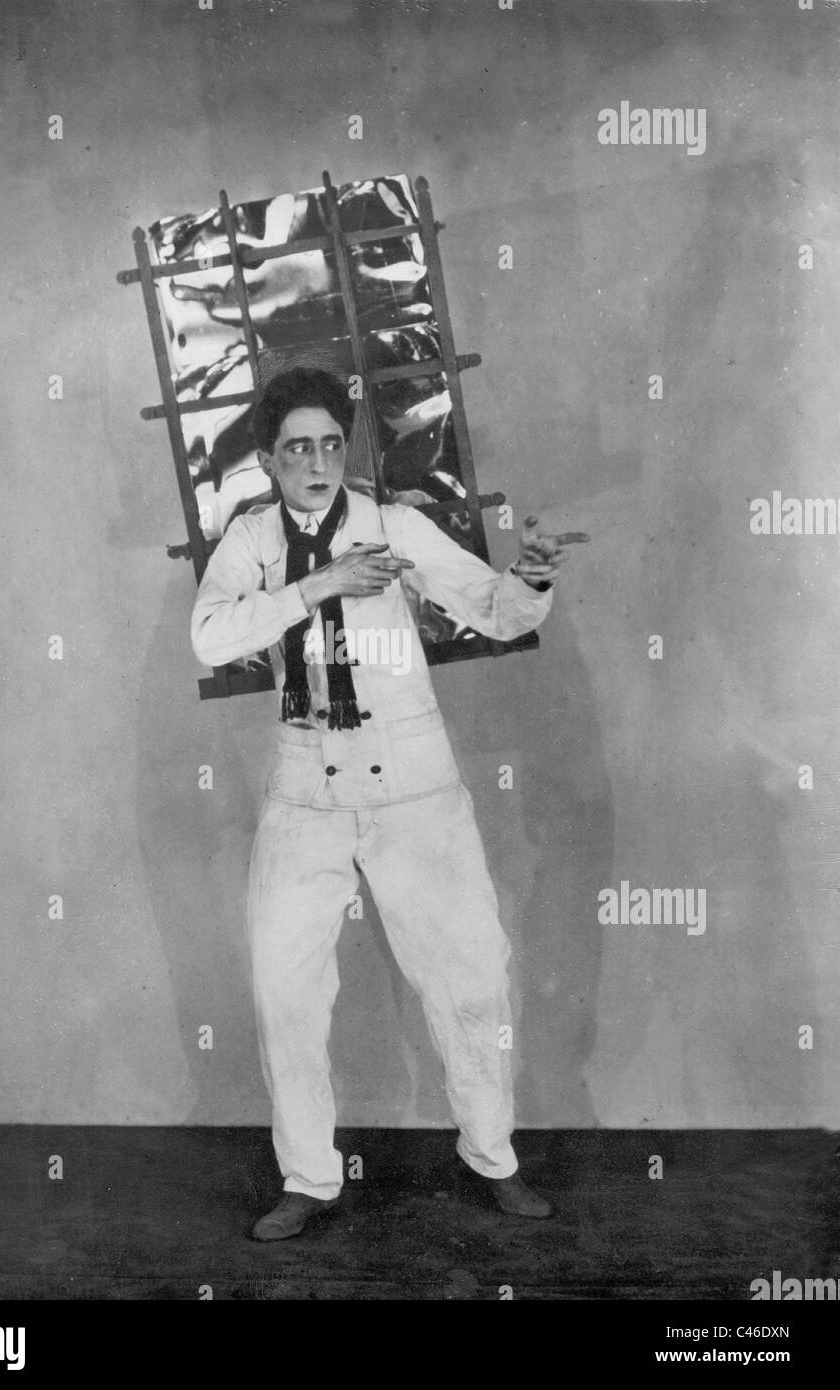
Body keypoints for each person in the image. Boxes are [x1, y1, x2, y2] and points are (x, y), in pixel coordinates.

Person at [191, 367, 587, 1241]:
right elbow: (211, 631)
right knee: (285, 993)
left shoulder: (393, 525)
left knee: (473, 978)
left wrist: (530, 576)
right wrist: (316, 587)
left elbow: (495, 611)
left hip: (413, 787)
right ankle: (308, 1181)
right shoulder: (254, 539)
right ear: (268, 459)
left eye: (333, 443)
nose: (319, 461)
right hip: (307, 790)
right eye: (298, 447)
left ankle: (493, 1158)